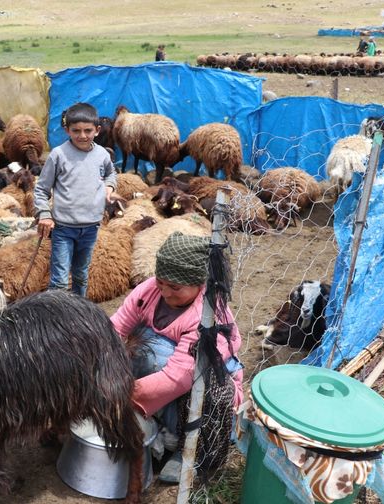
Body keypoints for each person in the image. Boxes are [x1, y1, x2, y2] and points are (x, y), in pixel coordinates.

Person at [110, 232, 244, 484]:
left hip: (207, 380)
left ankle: (188, 448)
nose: (165, 292)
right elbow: (115, 328)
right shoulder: (148, 291)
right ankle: (156, 422)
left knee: (163, 362)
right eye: (161, 282)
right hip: (171, 367)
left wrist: (118, 393)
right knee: (136, 344)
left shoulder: (206, 316)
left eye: (175, 287)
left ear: (199, 283)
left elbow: (177, 377)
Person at [35, 102, 117, 297]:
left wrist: (109, 186)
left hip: (90, 227)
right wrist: (44, 214)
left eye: (88, 130)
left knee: (81, 275)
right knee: (60, 280)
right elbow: (41, 188)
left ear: (97, 130)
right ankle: (56, 317)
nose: (82, 135)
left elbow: (111, 173)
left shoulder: (102, 154)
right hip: (64, 228)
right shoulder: (58, 155)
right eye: (76, 131)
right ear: (67, 130)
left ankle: (78, 313)